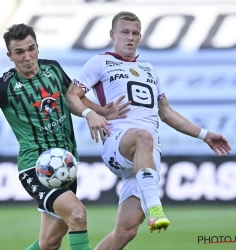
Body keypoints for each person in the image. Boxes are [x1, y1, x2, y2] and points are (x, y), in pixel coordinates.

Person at [0, 24, 130, 250]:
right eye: (19, 52)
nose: (27, 57)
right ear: (10, 56)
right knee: (77, 215)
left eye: (31, 49)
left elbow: (72, 100)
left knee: (49, 243)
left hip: (66, 164)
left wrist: (99, 111)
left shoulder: (53, 69)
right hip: (36, 166)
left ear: (38, 47)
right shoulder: (4, 86)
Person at [65, 11, 232, 250]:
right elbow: (72, 95)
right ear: (112, 34)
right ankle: (155, 207)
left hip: (147, 157)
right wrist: (92, 113)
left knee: (126, 231)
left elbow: (167, 113)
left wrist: (205, 135)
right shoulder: (99, 62)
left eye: (134, 33)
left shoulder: (148, 69)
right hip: (119, 142)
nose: (130, 38)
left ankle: (149, 206)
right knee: (144, 135)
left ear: (140, 37)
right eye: (124, 32)